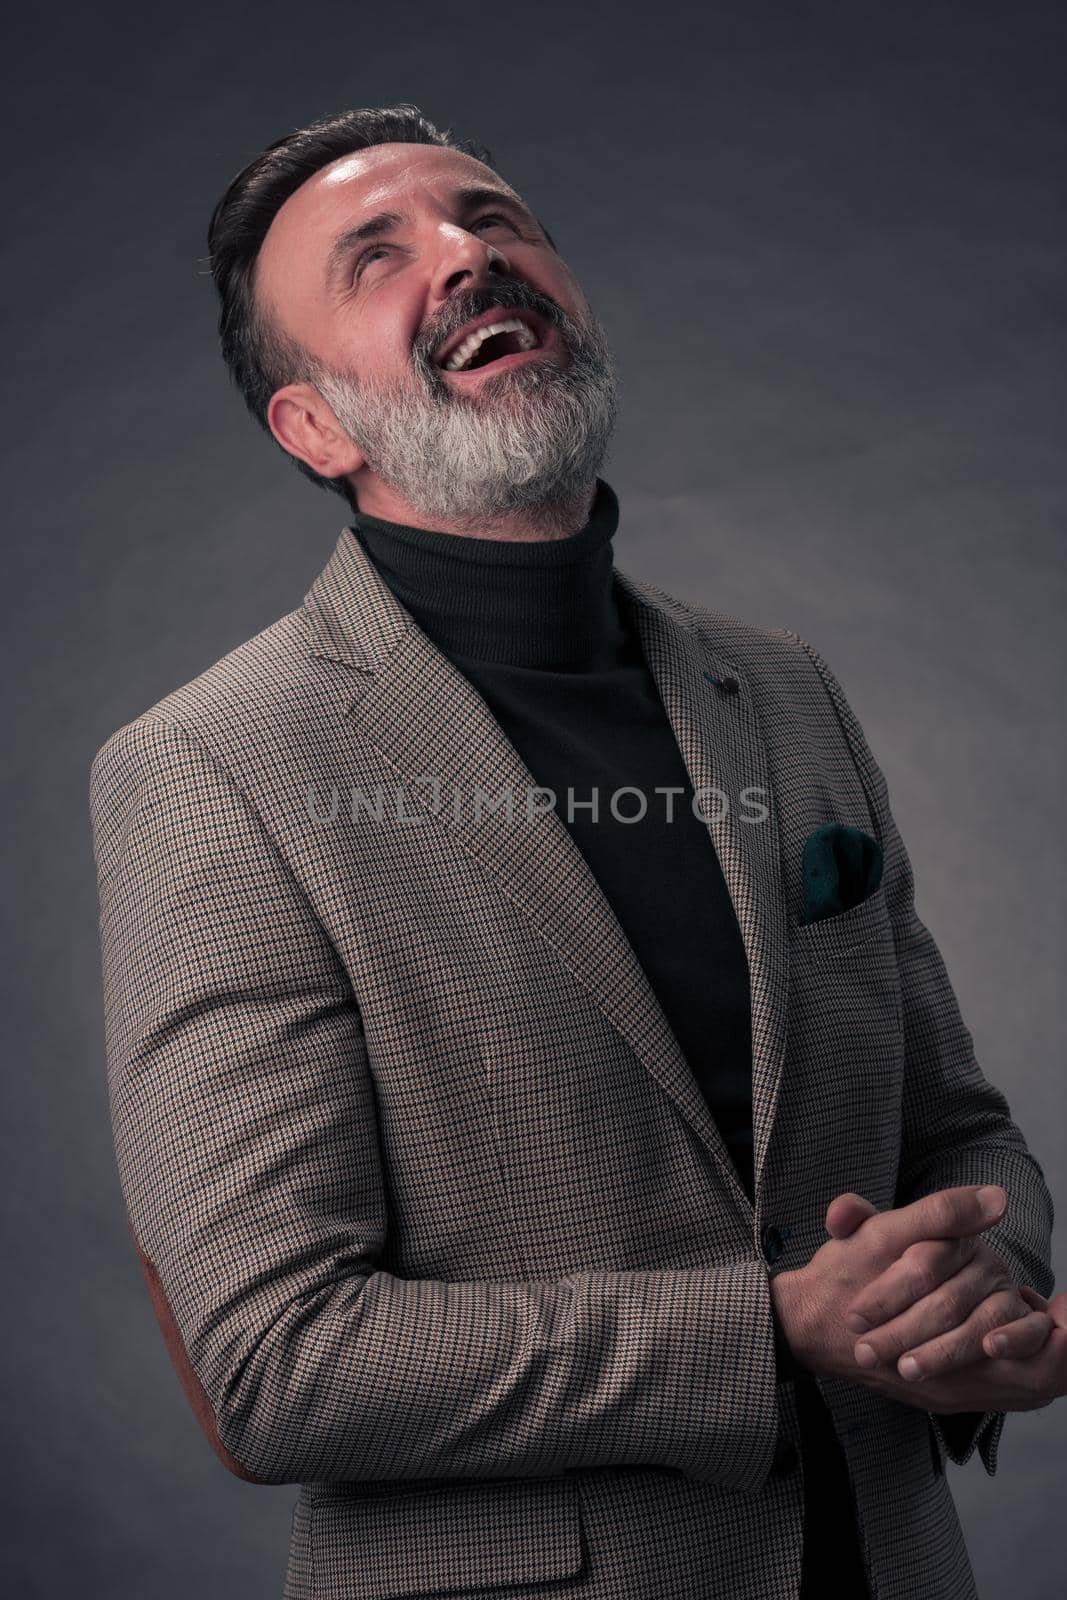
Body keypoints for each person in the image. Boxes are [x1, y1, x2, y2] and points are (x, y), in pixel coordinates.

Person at [89, 104, 1064, 1600]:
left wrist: (980, 1295)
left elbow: (957, 1132)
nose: (471, 254)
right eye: (379, 258)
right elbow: (276, 1363)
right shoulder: (215, 771)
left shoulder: (785, 688)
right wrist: (780, 1329)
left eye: (494, 216)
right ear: (316, 428)